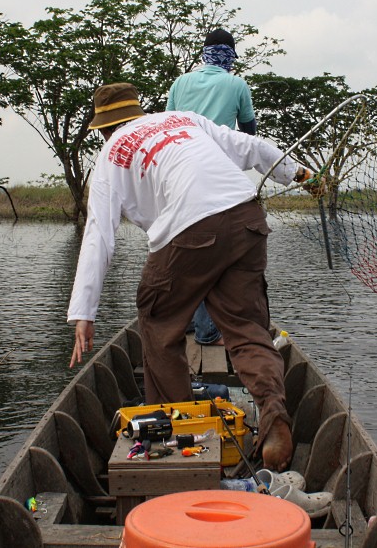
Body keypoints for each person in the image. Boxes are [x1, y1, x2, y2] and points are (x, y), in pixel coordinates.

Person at [67, 82, 317, 473]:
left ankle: (183, 431)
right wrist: (301, 174)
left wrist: (85, 313)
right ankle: (273, 415)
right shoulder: (181, 119)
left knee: (158, 320)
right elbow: (253, 148)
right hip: (245, 215)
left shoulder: (109, 156)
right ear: (138, 112)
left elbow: (99, 235)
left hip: (188, 230)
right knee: (247, 328)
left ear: (103, 128)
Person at [166, 28, 257, 345]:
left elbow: (168, 127)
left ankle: (187, 323)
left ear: (204, 54)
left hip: (178, 175)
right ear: (230, 56)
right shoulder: (236, 84)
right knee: (216, 252)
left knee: (186, 250)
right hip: (217, 179)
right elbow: (248, 132)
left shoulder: (180, 83)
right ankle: (206, 330)